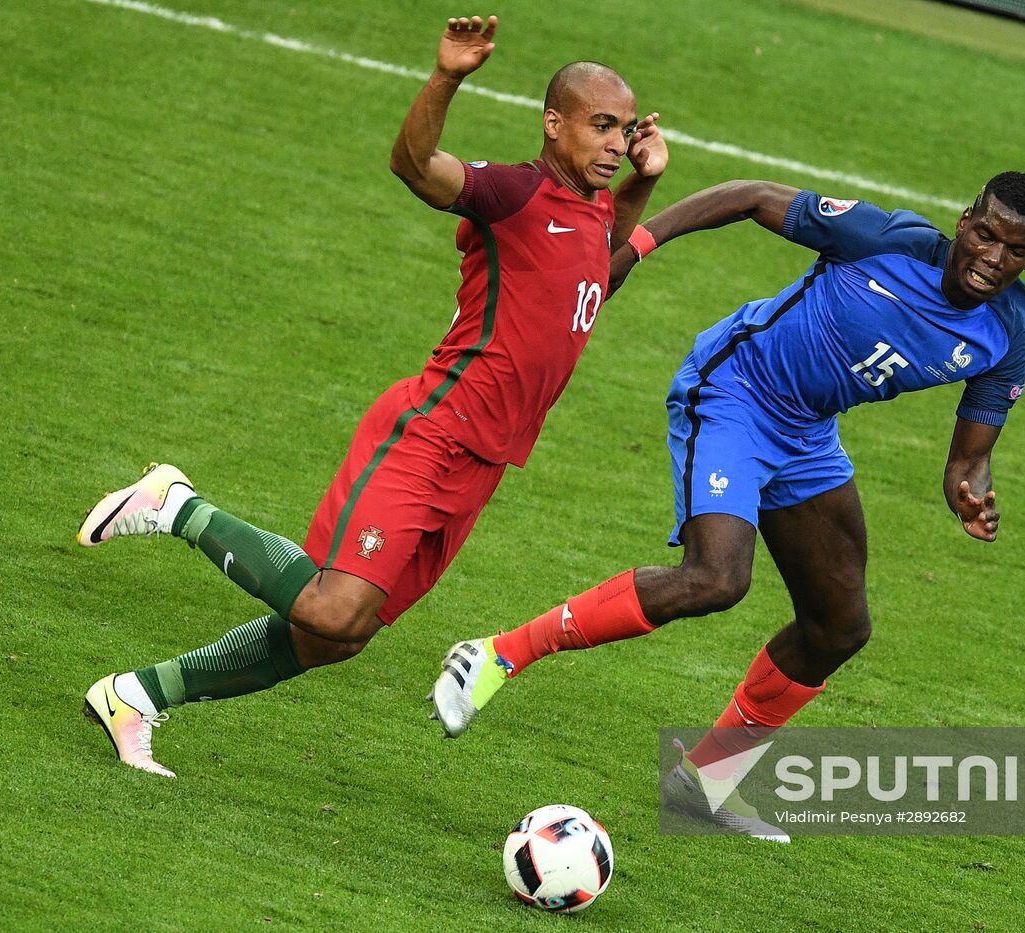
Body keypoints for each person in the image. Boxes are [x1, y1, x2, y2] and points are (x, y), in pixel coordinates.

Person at [75, 14, 668, 777]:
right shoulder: (513, 193)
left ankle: (135, 696)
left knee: (335, 636)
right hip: (432, 431)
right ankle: (174, 503)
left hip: (481, 466)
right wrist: (448, 76)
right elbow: (416, 166)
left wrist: (644, 184)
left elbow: (589, 267)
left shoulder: (592, 206)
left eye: (624, 129)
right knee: (327, 605)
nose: (616, 143)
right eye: (601, 126)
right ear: (554, 125)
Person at [429, 172, 1025, 841]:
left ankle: (704, 781)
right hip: (734, 391)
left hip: (808, 432)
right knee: (716, 578)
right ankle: (493, 655)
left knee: (839, 625)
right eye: (987, 234)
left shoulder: (1006, 328)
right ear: (964, 222)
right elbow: (750, 196)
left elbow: (969, 457)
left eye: (1016, 251)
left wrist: (970, 492)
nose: (994, 258)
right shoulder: (882, 238)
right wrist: (632, 250)